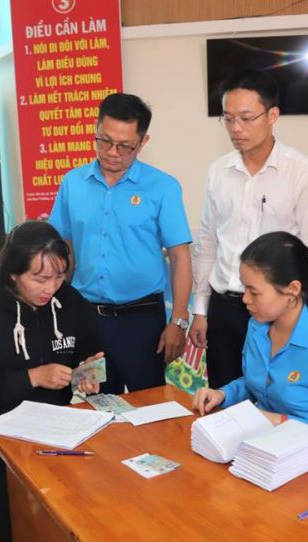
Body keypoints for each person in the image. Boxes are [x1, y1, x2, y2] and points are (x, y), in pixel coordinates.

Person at [0, 220, 102, 542]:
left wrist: (90, 370)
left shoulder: (69, 301)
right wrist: (33, 377)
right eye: (40, 278)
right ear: (12, 274)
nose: (51, 287)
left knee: (90, 507)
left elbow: (92, 345)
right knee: (1, 528)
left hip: (56, 429)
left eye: (59, 276)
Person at [190, 69, 308, 389]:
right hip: (225, 309)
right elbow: (207, 244)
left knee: (275, 402)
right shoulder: (218, 172)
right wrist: (200, 309)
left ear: (272, 115)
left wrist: (301, 317)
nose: (236, 129)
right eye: (227, 119)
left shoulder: (302, 173)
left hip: (277, 313)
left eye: (246, 118)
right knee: (224, 401)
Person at [49, 92, 193, 394]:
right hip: (88, 318)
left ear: (143, 142)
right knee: (98, 406)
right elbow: (65, 250)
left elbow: (180, 256)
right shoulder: (72, 183)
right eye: (104, 140)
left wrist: (178, 322)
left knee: (151, 408)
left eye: (125, 146)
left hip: (142, 321)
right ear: (96, 129)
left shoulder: (163, 187)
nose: (112, 152)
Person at [192, 231, 308, 454]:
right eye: (244, 288)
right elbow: (258, 385)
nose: (245, 299)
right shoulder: (257, 327)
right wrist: (223, 394)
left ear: (292, 290)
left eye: (254, 292)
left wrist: (279, 421)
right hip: (265, 451)